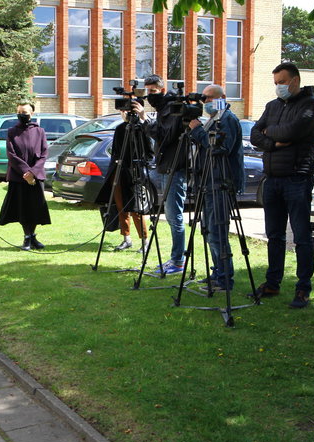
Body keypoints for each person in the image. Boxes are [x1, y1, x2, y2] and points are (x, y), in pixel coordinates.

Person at [250, 62, 314, 308]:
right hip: (272, 179)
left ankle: (303, 288)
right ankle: (272, 282)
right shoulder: (273, 106)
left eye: (281, 81)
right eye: (275, 83)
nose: (278, 87)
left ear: (295, 80)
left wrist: (271, 133)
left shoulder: (311, 105)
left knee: (301, 236)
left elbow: (293, 131)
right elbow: (254, 134)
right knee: (275, 235)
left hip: (297, 178)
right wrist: (272, 142)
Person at [189, 84, 245, 291]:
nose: (206, 103)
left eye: (209, 98)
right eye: (204, 99)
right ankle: (217, 273)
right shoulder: (214, 119)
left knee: (217, 231)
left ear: (222, 97)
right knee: (209, 231)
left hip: (220, 181)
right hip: (209, 181)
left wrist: (197, 131)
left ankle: (224, 278)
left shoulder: (228, 120)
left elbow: (220, 148)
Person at [133, 74, 189, 274]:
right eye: (147, 91)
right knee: (171, 214)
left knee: (174, 216)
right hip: (165, 166)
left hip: (175, 167)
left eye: (153, 91)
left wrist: (143, 118)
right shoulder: (162, 108)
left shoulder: (172, 108)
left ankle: (178, 261)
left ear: (162, 90)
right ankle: (175, 259)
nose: (149, 95)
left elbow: (165, 136)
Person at [95, 103, 154, 253]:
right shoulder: (121, 128)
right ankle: (126, 238)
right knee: (121, 206)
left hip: (134, 172)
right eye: (122, 111)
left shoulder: (141, 129)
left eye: (126, 111)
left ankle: (145, 241)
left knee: (136, 208)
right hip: (119, 171)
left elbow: (149, 152)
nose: (124, 114)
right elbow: (115, 151)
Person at [0, 102, 51, 250]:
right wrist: (25, 172)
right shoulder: (12, 131)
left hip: (35, 176)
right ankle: (27, 237)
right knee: (22, 208)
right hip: (18, 177)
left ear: (32, 114)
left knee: (34, 208)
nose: (22, 114)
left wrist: (32, 173)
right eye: (19, 111)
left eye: (25, 112)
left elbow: (44, 154)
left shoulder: (39, 131)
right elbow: (11, 154)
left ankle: (32, 236)